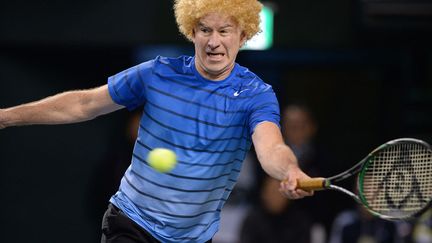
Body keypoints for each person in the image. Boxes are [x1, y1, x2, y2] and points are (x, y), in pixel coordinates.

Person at [0, 0, 313, 242]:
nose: (213, 42)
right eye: (204, 29)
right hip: (131, 222)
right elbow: (84, 104)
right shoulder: (157, 73)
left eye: (224, 30)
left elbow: (271, 146)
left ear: (242, 35)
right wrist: (6, 117)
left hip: (193, 237)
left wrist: (289, 169)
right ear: (192, 31)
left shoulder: (256, 94)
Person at [239, 175, 314, 243]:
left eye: (279, 193)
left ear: (288, 196)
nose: (275, 197)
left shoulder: (299, 220)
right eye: (272, 192)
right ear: (263, 194)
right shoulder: (252, 220)